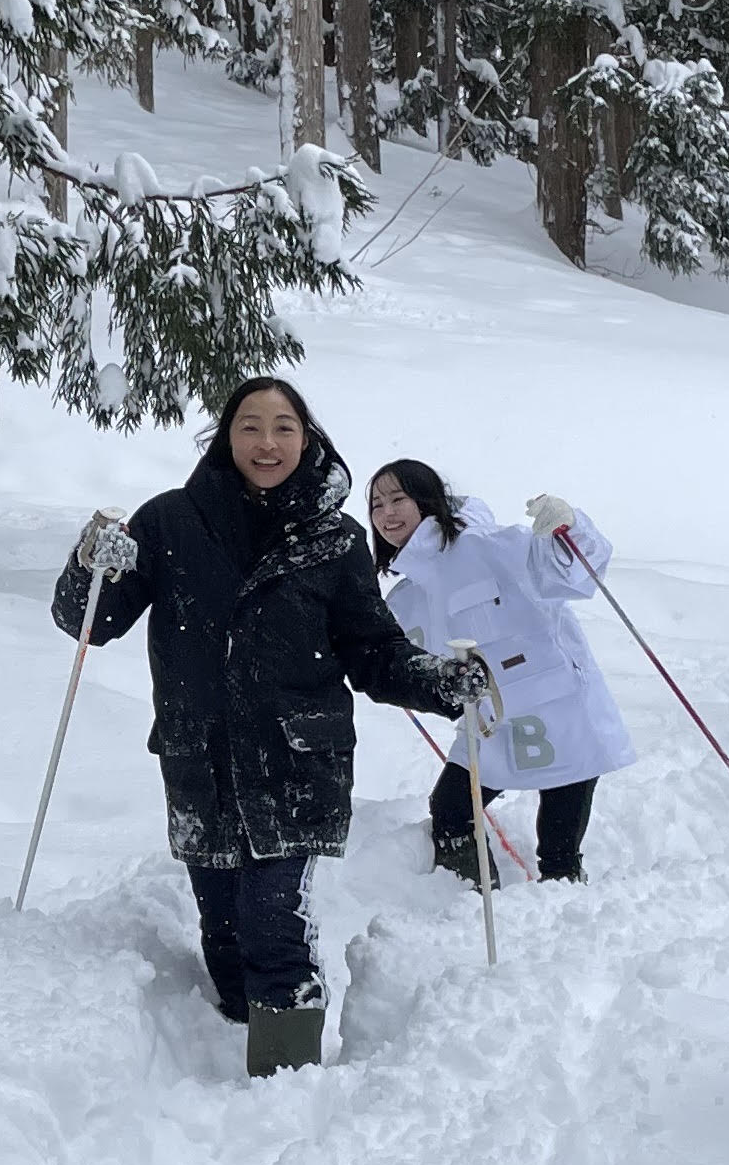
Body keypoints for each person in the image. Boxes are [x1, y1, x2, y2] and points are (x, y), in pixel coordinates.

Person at [50, 378, 484, 1077]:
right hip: (201, 760)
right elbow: (90, 620)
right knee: (221, 931)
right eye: (250, 426)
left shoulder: (335, 539)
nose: (267, 442)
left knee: (272, 920)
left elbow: (372, 651)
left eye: (284, 427)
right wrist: (89, 566)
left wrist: (438, 683)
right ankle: (231, 1036)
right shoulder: (169, 523)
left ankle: (285, 1081)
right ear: (227, 437)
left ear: (306, 438)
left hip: (297, 764)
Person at [368, 461, 636, 883]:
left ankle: (567, 919)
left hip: (561, 711)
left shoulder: (490, 546)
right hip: (490, 723)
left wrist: (568, 526)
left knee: (558, 852)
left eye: (398, 498)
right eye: (377, 505)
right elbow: (385, 654)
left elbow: (573, 574)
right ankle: (471, 901)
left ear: (427, 500)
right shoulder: (406, 594)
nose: (386, 513)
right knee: (452, 809)